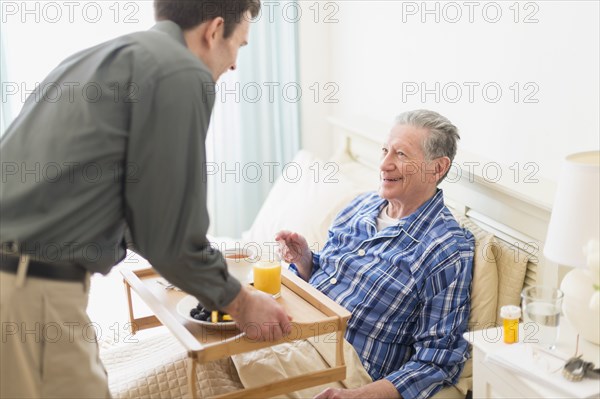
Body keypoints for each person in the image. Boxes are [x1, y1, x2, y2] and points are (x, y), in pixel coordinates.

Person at [0, 1, 292, 397]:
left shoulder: (96, 58)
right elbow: (169, 235)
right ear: (213, 30)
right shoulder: (180, 72)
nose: (236, 64)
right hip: (28, 289)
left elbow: (142, 212)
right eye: (240, 45)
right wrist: (241, 304)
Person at [277, 110, 475, 399]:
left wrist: (360, 395)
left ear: (437, 168)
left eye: (401, 155)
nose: (384, 164)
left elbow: (438, 361)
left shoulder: (446, 248)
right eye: (385, 150)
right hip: (295, 332)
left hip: (343, 367)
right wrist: (305, 261)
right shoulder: (361, 206)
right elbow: (333, 275)